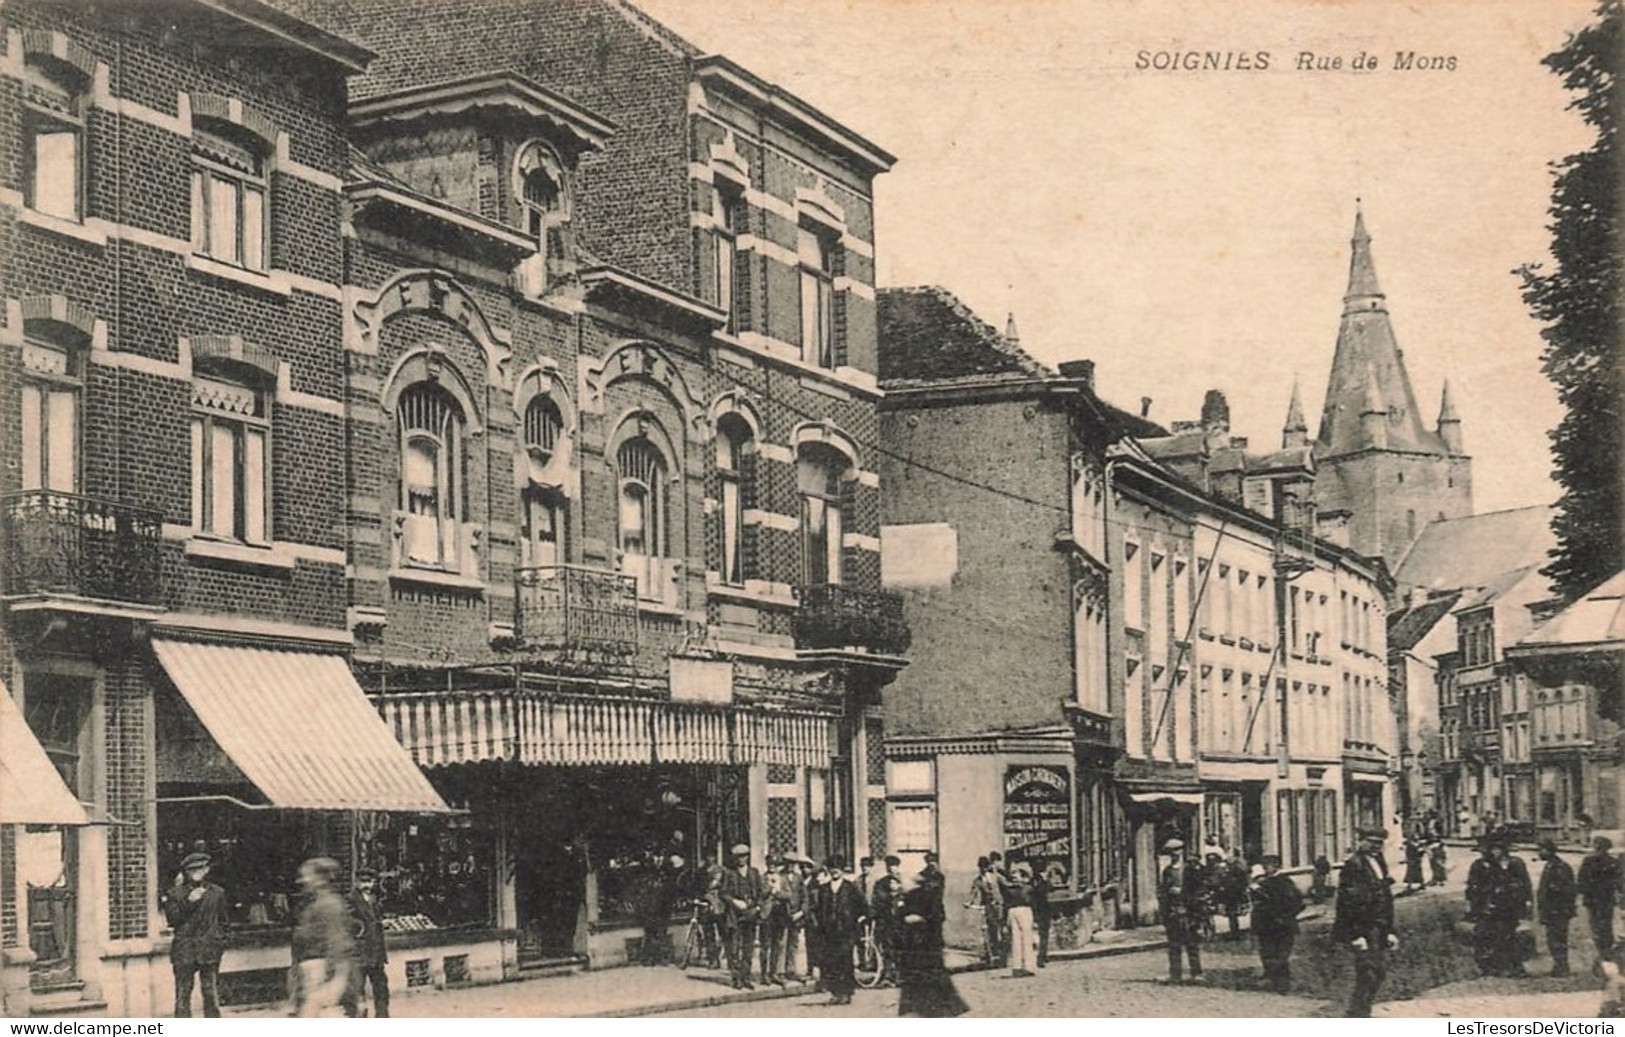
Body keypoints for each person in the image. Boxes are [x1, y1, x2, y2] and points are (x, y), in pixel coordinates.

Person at [1333, 826, 1400, 1018]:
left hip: (1378, 926)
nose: (1376, 846)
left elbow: (1385, 900)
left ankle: (1360, 1011)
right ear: (1360, 841)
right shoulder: (1354, 865)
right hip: (1364, 928)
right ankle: (1358, 1014)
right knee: (1368, 972)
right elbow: (1348, 903)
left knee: (1377, 972)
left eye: (1379, 843)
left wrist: (1390, 930)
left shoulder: (1379, 861)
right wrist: (1356, 935)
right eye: (1371, 842)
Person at [162, 851, 230, 1018]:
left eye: (200, 868)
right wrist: (189, 902)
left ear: (207, 870)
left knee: (210, 993)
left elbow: (224, 922)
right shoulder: (175, 894)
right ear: (186, 872)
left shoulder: (217, 893)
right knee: (183, 994)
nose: (196, 872)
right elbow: (173, 920)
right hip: (185, 950)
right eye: (192, 870)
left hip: (209, 950)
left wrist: (220, 941)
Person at [896, 868, 969, 1018]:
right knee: (919, 975)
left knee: (933, 975)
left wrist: (920, 919)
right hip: (915, 943)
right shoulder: (910, 896)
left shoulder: (931, 897)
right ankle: (919, 1007)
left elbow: (938, 917)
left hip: (929, 942)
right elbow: (900, 917)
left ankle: (939, 1008)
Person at [291, 857, 355, 1018]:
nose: (301, 880)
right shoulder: (314, 904)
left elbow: (337, 940)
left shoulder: (328, 905)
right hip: (315, 972)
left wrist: (332, 973)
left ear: (320, 880)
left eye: (306, 875)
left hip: (323, 971)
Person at [1466, 836, 1534, 977]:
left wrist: (1526, 902)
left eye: (1494, 849)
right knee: (1485, 936)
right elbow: (1473, 887)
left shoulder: (1512, 864)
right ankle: (1489, 967)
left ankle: (1514, 967)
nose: (1490, 852)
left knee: (1508, 935)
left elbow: (1524, 884)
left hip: (1507, 906)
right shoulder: (1479, 865)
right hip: (1486, 906)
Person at [814, 855, 866, 1005]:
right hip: (829, 932)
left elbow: (863, 907)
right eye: (832, 869)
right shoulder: (824, 889)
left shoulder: (851, 888)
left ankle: (846, 992)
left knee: (845, 961)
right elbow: (819, 909)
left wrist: (859, 920)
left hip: (846, 932)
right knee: (831, 962)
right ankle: (835, 992)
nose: (835, 872)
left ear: (843, 870)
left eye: (838, 869)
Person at [1250, 854, 1302, 993]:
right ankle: (1277, 979)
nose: (1266, 869)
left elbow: (1296, 902)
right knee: (1274, 952)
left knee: (1276, 953)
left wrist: (1283, 916)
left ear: (1276, 866)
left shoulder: (1279, 882)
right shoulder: (1281, 881)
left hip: (1275, 924)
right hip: (1274, 924)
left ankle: (1279, 980)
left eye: (1268, 866)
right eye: (1265, 866)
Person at [341, 867, 390, 1018]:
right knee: (357, 989)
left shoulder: (374, 899)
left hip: (376, 952)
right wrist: (360, 927)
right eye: (363, 882)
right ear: (356, 882)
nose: (366, 885)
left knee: (381, 987)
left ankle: (382, 1017)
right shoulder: (350, 899)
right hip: (360, 952)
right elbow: (347, 921)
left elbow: (376, 920)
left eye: (369, 881)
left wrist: (381, 923)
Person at [718, 844, 766, 990]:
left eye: (744, 856)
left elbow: (760, 893)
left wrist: (757, 907)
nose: (742, 859)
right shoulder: (729, 873)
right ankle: (736, 978)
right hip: (734, 915)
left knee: (748, 947)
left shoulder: (754, 873)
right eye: (739, 857)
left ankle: (746, 977)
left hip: (750, 915)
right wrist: (734, 902)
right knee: (734, 947)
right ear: (735, 858)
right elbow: (723, 893)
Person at [1157, 839, 1203, 984]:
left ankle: (1196, 973)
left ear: (1182, 851)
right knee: (1174, 944)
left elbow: (1199, 890)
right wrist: (1164, 911)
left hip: (1189, 911)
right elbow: (1163, 892)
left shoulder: (1191, 870)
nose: (1174, 854)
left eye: (1177, 850)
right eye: (1171, 852)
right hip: (1173, 912)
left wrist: (1182, 893)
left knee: (1192, 943)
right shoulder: (1168, 871)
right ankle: (1175, 974)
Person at [1537, 839, 1578, 977]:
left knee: (1558, 939)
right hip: (1551, 910)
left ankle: (1562, 967)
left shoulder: (1560, 867)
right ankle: (1559, 965)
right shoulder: (1551, 865)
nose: (1539, 853)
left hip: (1558, 910)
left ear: (1549, 851)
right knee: (1552, 939)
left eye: (1541, 850)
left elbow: (1567, 890)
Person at [1578, 836, 1622, 967]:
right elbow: (1619, 882)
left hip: (1594, 899)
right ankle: (1606, 952)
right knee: (1604, 925)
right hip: (1605, 899)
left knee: (1597, 926)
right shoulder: (1613, 862)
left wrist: (1585, 891)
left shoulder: (1589, 861)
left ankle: (1603, 953)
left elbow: (1581, 881)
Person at [761, 853, 804, 985]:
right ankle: (764, 974)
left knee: (778, 944)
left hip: (779, 914)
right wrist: (769, 889)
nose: (772, 867)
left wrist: (777, 893)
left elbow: (789, 894)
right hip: (766, 914)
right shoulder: (762, 878)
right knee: (765, 945)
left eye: (775, 865)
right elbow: (760, 893)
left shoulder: (782, 879)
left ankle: (774, 973)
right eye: (770, 865)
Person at [966, 856, 1007, 967]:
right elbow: (973, 892)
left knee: (1002, 931)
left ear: (988, 866)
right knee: (990, 931)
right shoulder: (978, 880)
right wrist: (969, 902)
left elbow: (1007, 886)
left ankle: (1004, 957)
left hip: (999, 906)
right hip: (988, 907)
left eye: (985, 867)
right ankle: (992, 955)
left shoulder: (995, 877)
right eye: (981, 867)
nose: (983, 869)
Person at [870, 855, 905, 985]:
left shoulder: (905, 882)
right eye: (888, 866)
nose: (891, 868)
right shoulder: (881, 883)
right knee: (887, 949)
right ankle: (888, 976)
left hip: (901, 923)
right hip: (886, 922)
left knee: (901, 949)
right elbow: (876, 902)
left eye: (894, 866)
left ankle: (900, 976)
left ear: (898, 866)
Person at [1003, 860, 1038, 978]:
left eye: (1017, 875)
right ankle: (1023, 967)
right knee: (1021, 938)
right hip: (1020, 911)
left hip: (1019, 910)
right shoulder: (1024, 889)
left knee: (1020, 939)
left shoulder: (1023, 889)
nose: (1014, 877)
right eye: (1013, 875)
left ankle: (1021, 967)